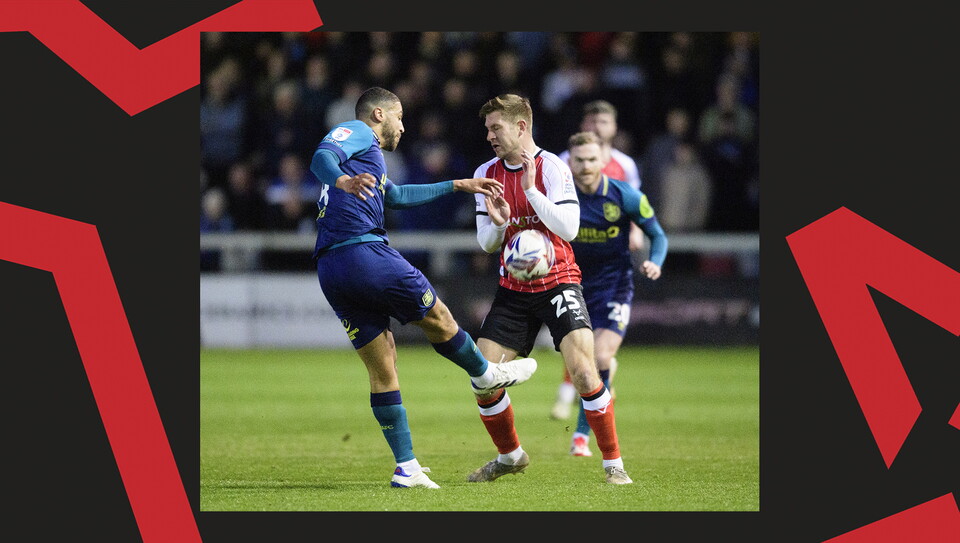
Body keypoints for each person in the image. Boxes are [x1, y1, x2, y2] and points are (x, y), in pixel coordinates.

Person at [308, 87, 538, 489]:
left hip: (332, 268)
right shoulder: (358, 131)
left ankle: (407, 468)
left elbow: (394, 196)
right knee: (440, 318)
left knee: (384, 368)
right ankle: (486, 375)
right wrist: (343, 181)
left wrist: (459, 186)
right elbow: (321, 158)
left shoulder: (371, 161)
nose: (403, 126)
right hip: (365, 252)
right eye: (399, 117)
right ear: (379, 114)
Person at [470, 93, 632, 484]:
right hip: (513, 288)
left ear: (521, 126)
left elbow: (569, 229)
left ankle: (613, 464)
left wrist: (530, 192)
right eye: (487, 128)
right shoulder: (486, 172)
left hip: (559, 281)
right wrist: (498, 222)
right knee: (481, 376)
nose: (489, 135)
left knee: (583, 372)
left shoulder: (553, 167)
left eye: (496, 127)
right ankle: (510, 456)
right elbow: (487, 243)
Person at [560, 131, 668, 457]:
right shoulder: (559, 196)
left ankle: (581, 434)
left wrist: (655, 261)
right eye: (579, 160)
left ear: (604, 160)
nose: (586, 165)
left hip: (615, 285)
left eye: (592, 159)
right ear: (570, 161)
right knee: (582, 366)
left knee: (600, 357)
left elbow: (658, 235)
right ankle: (604, 394)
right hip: (572, 286)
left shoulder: (625, 195)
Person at [553, 99, 646, 417]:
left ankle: (576, 396)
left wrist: (634, 231)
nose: (597, 128)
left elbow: (632, 202)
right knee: (578, 332)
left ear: (614, 128)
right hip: (573, 254)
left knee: (593, 339)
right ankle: (574, 390)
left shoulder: (626, 165)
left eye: (603, 123)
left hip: (609, 257)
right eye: (592, 123)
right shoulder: (566, 160)